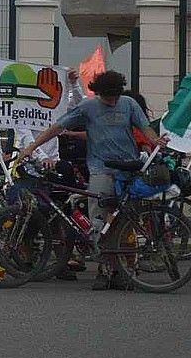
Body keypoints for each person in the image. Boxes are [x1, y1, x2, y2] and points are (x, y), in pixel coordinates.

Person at [19, 70, 164, 291]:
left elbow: (145, 128)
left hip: (128, 169)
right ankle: (104, 270)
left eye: (115, 97)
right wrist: (31, 147)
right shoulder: (88, 108)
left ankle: (123, 270)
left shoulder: (128, 104)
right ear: (99, 93)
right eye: (107, 97)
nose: (112, 101)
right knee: (100, 222)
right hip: (100, 170)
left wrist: (156, 141)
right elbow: (57, 127)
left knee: (125, 223)